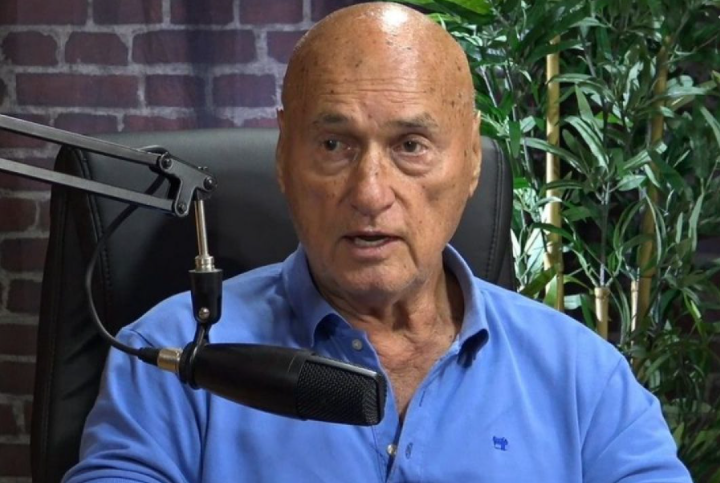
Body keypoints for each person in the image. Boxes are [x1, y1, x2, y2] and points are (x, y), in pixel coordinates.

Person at [64, 3, 691, 482]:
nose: (369, 193)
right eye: (334, 145)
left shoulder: (583, 378)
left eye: (411, 146)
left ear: (472, 160)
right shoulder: (174, 356)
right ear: (284, 156)